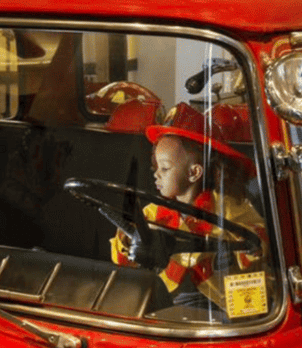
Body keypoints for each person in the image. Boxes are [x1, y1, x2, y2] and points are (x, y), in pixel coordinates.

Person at [111, 103, 268, 316]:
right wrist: (129, 242)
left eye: (165, 168)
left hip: (226, 301)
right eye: (155, 167)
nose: (156, 174)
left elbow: (258, 237)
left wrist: (244, 249)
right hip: (170, 300)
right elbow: (121, 257)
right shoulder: (152, 214)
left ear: (194, 172)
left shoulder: (227, 206)